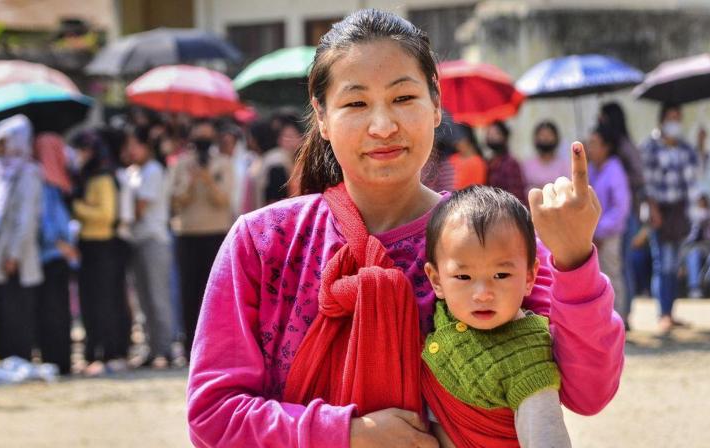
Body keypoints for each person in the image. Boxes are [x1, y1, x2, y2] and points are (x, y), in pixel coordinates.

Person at [187, 10, 623, 448]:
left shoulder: (495, 235)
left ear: (436, 104)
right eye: (356, 103)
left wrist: (574, 261)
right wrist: (348, 434)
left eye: (403, 98)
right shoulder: (265, 242)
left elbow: (587, 394)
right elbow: (213, 415)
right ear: (321, 116)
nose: (383, 126)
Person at [421, 186, 570, 448]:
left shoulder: (527, 361)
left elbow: (546, 440)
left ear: (530, 277)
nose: (482, 294)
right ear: (436, 281)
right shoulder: (442, 313)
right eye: (463, 277)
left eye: (501, 275)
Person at [169, 120, 233, 358]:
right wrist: (190, 182)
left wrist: (207, 180)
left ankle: (216, 348)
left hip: (216, 233)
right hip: (187, 233)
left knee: (216, 293)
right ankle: (190, 347)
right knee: (188, 291)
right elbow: (175, 200)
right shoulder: (181, 164)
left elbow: (224, 200)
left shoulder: (223, 164)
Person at [72, 130, 129, 375]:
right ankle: (93, 350)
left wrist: (76, 207)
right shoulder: (86, 177)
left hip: (104, 245)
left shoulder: (103, 178)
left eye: (82, 151)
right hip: (88, 245)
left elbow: (106, 215)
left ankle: (110, 352)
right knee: (90, 302)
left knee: (105, 301)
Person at [642, 102, 701, 333]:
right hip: (660, 211)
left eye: (678, 117)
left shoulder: (686, 148)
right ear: (662, 120)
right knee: (663, 264)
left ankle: (671, 312)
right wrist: (653, 209)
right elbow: (646, 183)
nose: (674, 122)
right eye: (671, 117)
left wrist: (702, 145)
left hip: (680, 212)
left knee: (674, 264)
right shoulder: (650, 147)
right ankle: (662, 313)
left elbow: (696, 175)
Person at [0, 115, 43, 362]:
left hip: (16, 255)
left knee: (16, 307)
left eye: (3, 142)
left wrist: (14, 254)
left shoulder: (28, 173)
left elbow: (26, 219)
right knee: (1, 306)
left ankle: (19, 355)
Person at [123, 126, 175, 368]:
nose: (131, 150)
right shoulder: (133, 172)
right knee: (141, 299)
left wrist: (120, 218)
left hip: (154, 240)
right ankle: (150, 347)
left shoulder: (153, 170)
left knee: (157, 296)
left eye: (136, 144)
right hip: (136, 240)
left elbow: (139, 208)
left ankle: (165, 348)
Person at [34, 132, 78, 375]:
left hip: (56, 254)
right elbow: (48, 222)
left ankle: (60, 360)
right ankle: (59, 360)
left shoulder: (54, 180)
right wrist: (63, 244)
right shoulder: (47, 181)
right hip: (54, 253)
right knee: (55, 310)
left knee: (58, 310)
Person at [587, 124, 631, 329]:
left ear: (606, 147)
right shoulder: (591, 169)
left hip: (610, 234)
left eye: (594, 143)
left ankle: (619, 319)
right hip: (592, 234)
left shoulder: (614, 170)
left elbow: (620, 208)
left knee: (612, 276)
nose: (590, 147)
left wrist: (600, 230)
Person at [681, 194, 710, 299]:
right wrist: (697, 225)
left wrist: (708, 223)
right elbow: (688, 238)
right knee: (693, 256)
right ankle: (694, 288)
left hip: (709, 246)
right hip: (693, 247)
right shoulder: (690, 217)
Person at [523, 121, 571, 194]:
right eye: (542, 135)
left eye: (549, 135)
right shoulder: (527, 165)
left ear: (556, 138)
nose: (545, 138)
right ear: (535, 138)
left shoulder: (564, 165)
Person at [485, 120, 527, 204]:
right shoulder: (488, 162)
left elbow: (516, 194)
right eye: (489, 134)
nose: (492, 137)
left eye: (496, 134)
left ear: (504, 137)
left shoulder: (511, 163)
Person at [449, 123, 486, 190]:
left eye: (459, 140)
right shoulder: (453, 158)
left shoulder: (477, 162)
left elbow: (477, 186)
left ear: (468, 140)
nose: (456, 144)